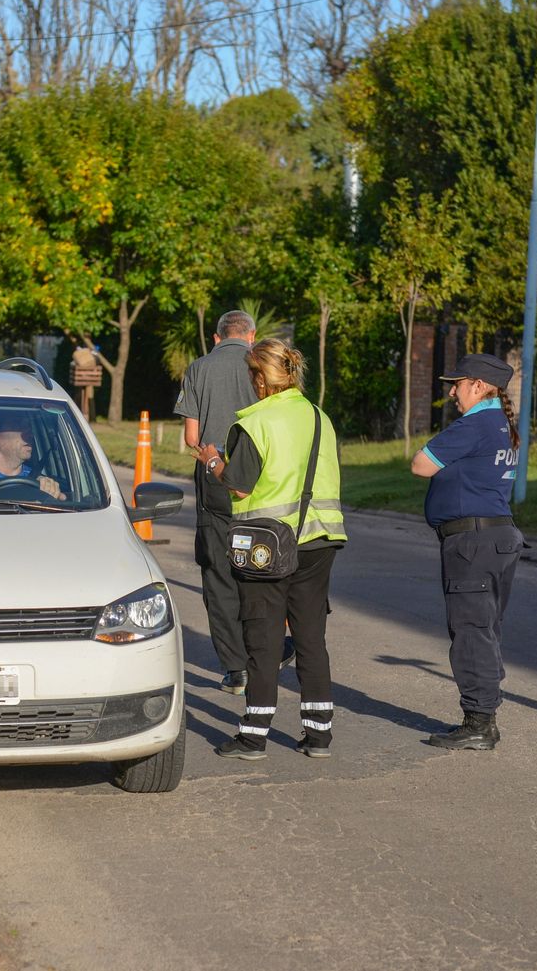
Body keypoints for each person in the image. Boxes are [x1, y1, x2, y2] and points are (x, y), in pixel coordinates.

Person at [194, 339, 346, 760]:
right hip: (320, 539)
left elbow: (240, 483)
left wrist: (211, 460)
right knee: (311, 638)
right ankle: (319, 735)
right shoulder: (320, 418)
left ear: (261, 378)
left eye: (250, 375)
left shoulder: (254, 423)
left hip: (267, 545)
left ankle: (254, 734)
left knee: (262, 640)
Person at [409, 353, 525, 751]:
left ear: (478, 385)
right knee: (485, 629)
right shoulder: (501, 424)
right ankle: (483, 716)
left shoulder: (475, 424)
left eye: (457, 384)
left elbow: (420, 464)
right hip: (496, 538)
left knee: (472, 632)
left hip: (472, 542)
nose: (452, 392)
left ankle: (479, 721)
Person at [174, 309, 266, 695]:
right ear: (251, 336)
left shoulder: (199, 368)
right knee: (260, 564)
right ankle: (264, 652)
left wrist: (213, 459)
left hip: (214, 475)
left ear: (216, 338)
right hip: (260, 475)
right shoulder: (260, 367)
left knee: (218, 570)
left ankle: (235, 668)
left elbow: (191, 436)